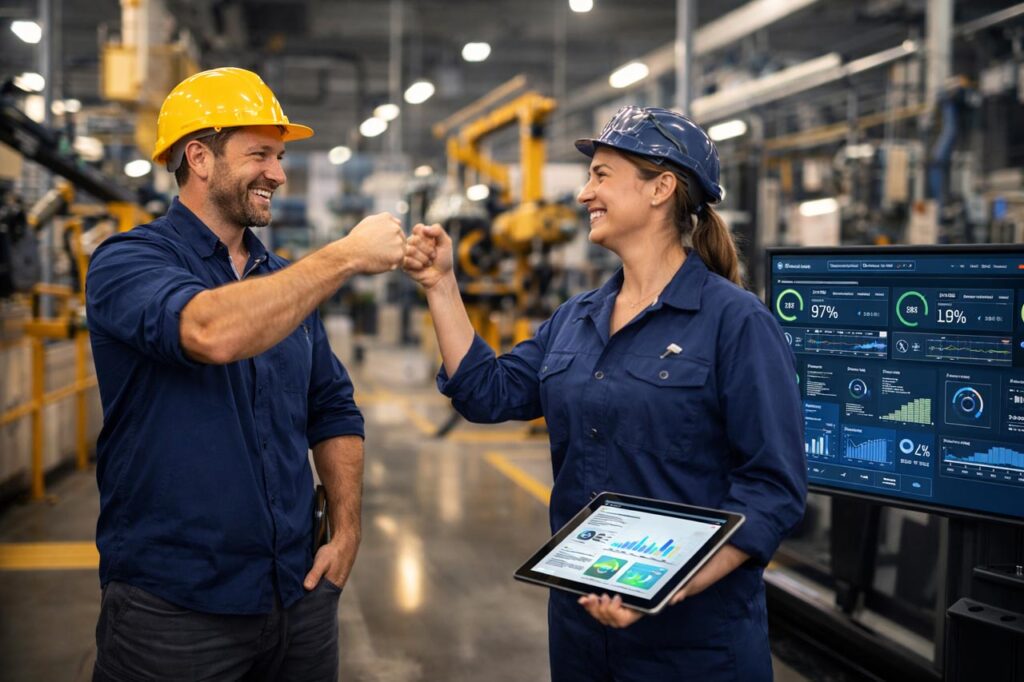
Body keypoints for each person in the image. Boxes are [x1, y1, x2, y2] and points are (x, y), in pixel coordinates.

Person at [403, 105, 806, 681]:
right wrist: (442, 284)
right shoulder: (578, 318)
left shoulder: (736, 323)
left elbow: (772, 487)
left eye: (601, 175)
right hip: (581, 631)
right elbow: (486, 392)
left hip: (692, 644)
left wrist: (670, 584)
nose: (583, 193)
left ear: (661, 188)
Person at [85, 67, 405, 681]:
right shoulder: (127, 262)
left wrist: (346, 531)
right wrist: (343, 255)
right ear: (199, 158)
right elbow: (210, 330)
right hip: (174, 612)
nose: (278, 175)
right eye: (260, 155)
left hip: (297, 595)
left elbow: (332, 408)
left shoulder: (282, 280)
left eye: (280, 158)